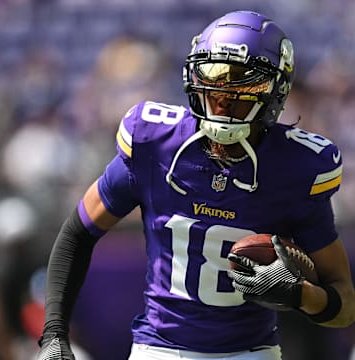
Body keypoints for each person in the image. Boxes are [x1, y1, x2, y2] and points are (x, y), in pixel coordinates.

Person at [36, 10, 355, 360]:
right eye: (214, 78)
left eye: (241, 84)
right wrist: (54, 333)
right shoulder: (154, 142)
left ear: (275, 90)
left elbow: (345, 306)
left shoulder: (296, 167)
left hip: (250, 353)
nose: (222, 95)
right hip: (157, 350)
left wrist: (300, 296)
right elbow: (77, 233)